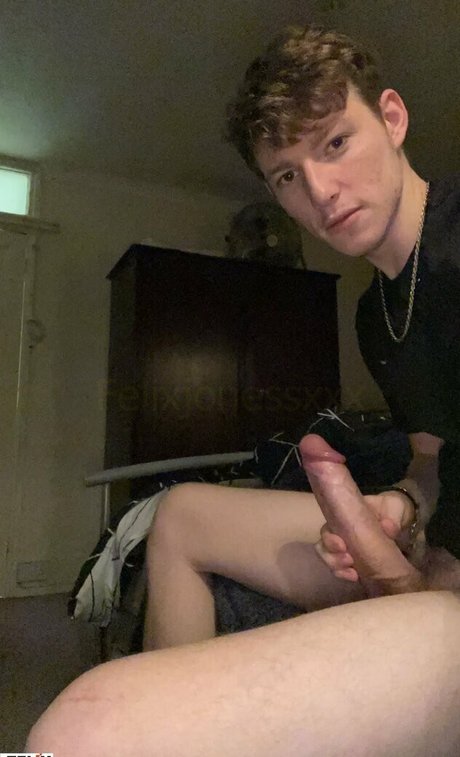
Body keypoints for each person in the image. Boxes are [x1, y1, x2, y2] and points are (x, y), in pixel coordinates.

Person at [26, 23, 460, 755]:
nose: (319, 192)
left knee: (85, 727)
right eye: (286, 176)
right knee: (181, 515)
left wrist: (436, 578)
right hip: (433, 554)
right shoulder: (376, 316)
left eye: (335, 143)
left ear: (391, 118)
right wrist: (400, 508)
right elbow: (430, 461)